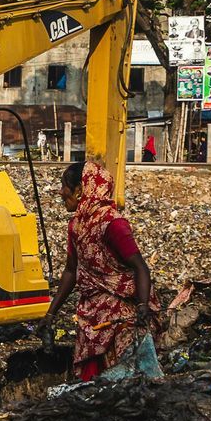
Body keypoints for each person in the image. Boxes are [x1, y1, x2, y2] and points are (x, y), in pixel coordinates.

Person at [42, 160, 159, 382]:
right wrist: (50, 315)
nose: (60, 192)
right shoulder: (76, 225)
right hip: (91, 315)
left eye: (64, 185)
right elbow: (70, 271)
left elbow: (140, 266)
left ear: (79, 189)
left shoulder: (112, 223)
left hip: (119, 316)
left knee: (124, 380)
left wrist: (143, 306)